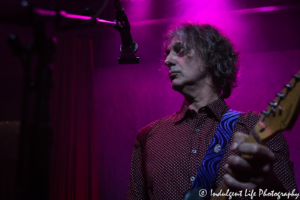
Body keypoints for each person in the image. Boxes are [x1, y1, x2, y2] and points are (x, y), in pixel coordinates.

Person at [126, 22, 298, 200]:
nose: (168, 61)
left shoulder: (257, 127)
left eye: (180, 51)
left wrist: (268, 182)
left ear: (210, 56)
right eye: (167, 53)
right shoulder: (148, 137)